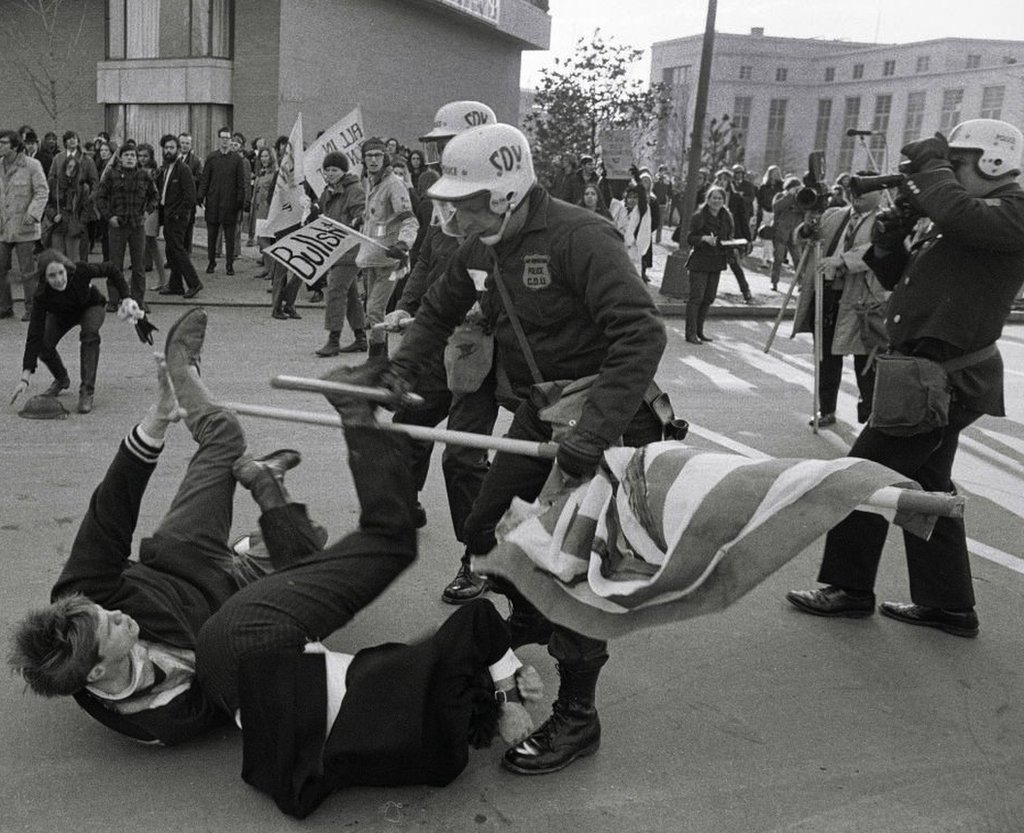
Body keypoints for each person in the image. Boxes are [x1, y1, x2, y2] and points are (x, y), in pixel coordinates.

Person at [381, 123, 667, 774]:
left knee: (569, 567)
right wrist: (402, 371)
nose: (453, 214)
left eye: (467, 200)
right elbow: (437, 308)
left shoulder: (578, 236)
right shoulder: (482, 242)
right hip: (542, 413)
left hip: (604, 418)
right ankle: (531, 615)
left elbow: (642, 336)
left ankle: (578, 716)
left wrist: (591, 438)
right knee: (485, 529)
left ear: (508, 193)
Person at [6, 308, 327, 745]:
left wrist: (156, 420)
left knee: (226, 433)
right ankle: (264, 490)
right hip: (242, 605)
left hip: (183, 554)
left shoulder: (81, 594)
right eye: (112, 626)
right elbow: (247, 693)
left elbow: (111, 509)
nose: (118, 612)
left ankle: (183, 377)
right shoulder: (165, 718)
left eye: (107, 612)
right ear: (98, 670)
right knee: (313, 549)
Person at [786, 119, 1024, 639]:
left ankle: (848, 588)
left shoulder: (1012, 212)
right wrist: (891, 237)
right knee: (927, 486)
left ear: (994, 161)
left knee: (861, 475)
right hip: (927, 375)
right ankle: (948, 604)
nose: (951, 174)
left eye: (959, 163)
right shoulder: (964, 217)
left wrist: (933, 174)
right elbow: (895, 276)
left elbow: (962, 213)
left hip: (941, 378)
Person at [382, 100, 500, 604]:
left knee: (465, 460)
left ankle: (479, 560)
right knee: (409, 425)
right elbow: (427, 267)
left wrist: (480, 313)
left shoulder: (502, 210)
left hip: (481, 355)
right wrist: (403, 309)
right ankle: (401, 511)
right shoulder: (442, 201)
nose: (436, 153)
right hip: (439, 341)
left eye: (445, 143)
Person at [793, 170, 889, 427]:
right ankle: (826, 410)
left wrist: (843, 260)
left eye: (865, 190)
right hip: (828, 295)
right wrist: (806, 228)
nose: (858, 195)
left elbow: (877, 250)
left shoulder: (885, 220)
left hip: (862, 300)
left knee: (865, 360)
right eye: (855, 188)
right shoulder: (834, 215)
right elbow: (805, 238)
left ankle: (870, 416)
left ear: (880, 193)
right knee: (826, 355)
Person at [11, 249, 131, 413]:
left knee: (89, 335)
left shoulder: (80, 270)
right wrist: (25, 377)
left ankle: (87, 392)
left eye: (61, 272)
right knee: (43, 344)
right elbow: (34, 334)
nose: (59, 279)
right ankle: (61, 379)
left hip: (91, 306)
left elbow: (111, 268)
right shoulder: (41, 294)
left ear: (66, 268)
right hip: (62, 314)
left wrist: (127, 297)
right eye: (52, 276)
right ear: (45, 278)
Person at [354, 136, 419, 358]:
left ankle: (377, 360)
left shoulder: (394, 185)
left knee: (374, 310)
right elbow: (375, 219)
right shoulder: (371, 182)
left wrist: (403, 243)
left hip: (390, 259)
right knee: (371, 310)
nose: (373, 160)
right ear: (363, 160)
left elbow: (410, 220)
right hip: (371, 256)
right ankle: (377, 357)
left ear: (385, 158)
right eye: (369, 156)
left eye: (378, 155)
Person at [313, 151, 366, 357]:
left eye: (334, 170)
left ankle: (333, 338)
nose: (330, 174)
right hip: (335, 250)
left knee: (335, 290)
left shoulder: (354, 190)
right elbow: (323, 214)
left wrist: (356, 221)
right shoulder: (329, 190)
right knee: (350, 294)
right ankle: (361, 337)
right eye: (327, 170)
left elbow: (361, 214)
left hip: (349, 249)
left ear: (343, 171)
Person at [94, 144, 157, 311]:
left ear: (137, 159)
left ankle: (138, 300)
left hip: (137, 226)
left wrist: (146, 212)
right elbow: (100, 198)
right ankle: (114, 300)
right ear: (120, 158)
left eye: (133, 155)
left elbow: (154, 196)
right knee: (115, 265)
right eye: (127, 155)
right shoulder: (111, 175)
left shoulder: (144, 176)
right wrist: (109, 217)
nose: (130, 158)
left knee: (139, 266)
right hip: (117, 226)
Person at [1, 129, 48, 321]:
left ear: (14, 146)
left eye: (3, 143)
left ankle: (33, 308)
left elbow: (42, 191)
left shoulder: (31, 165)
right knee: (0, 268)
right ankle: (4, 306)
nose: (0, 146)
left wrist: (33, 213)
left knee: (28, 272)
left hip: (24, 226)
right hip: (3, 226)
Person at [683, 185, 734, 344]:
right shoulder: (699, 216)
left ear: (723, 200)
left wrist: (732, 244)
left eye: (719, 198)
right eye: (714, 198)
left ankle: (699, 331)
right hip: (700, 260)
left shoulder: (726, 216)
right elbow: (690, 238)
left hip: (717, 261)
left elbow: (728, 236)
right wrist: (704, 239)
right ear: (708, 199)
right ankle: (690, 333)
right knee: (696, 297)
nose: (717, 201)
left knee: (709, 298)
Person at [156, 134, 203, 298]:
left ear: (177, 149)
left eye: (172, 148)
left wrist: (178, 214)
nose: (168, 151)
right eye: (166, 148)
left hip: (178, 218)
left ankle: (194, 283)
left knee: (178, 250)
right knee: (172, 251)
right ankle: (175, 285)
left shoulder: (183, 169)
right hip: (168, 216)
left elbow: (190, 196)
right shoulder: (165, 168)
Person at [198, 127, 246, 276]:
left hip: (230, 204)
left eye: (227, 138)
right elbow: (205, 179)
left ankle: (229, 265)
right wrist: (201, 196)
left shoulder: (237, 159)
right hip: (213, 203)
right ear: (219, 139)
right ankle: (211, 262)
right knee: (212, 237)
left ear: (231, 140)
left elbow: (241, 183)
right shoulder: (212, 157)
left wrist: (239, 202)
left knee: (230, 237)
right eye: (222, 138)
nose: (225, 141)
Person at [713, 168, 754, 302]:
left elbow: (743, 219)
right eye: (720, 179)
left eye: (726, 179)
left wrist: (748, 239)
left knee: (735, 264)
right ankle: (709, 293)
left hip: (730, 237)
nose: (723, 182)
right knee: (712, 265)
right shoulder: (710, 197)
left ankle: (746, 291)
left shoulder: (736, 198)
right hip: (714, 235)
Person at [45, 154, 92, 261]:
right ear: (64, 167)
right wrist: (53, 216)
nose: (71, 170)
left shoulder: (83, 187)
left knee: (73, 260)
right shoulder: (54, 183)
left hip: (74, 226)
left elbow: (86, 208)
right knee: (57, 258)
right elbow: (47, 204)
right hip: (57, 224)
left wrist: (80, 224)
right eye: (69, 167)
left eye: (74, 168)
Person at [136, 143, 166, 292]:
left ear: (151, 157)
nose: (142, 159)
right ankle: (161, 279)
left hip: (150, 211)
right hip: (138, 211)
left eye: (145, 156)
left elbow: (155, 195)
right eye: (140, 156)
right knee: (143, 245)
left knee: (149, 244)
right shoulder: (136, 170)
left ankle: (162, 279)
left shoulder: (154, 172)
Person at [770, 176, 805, 291]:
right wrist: (789, 196)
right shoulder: (781, 196)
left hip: (795, 233)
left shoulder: (801, 198)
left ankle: (801, 283)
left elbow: (805, 209)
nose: (797, 191)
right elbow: (776, 207)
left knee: (797, 259)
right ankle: (774, 282)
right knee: (778, 258)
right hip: (781, 232)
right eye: (795, 188)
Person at [756, 164, 784, 269]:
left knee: (773, 236)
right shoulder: (764, 186)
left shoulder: (782, 186)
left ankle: (769, 259)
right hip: (766, 212)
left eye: (777, 172)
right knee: (764, 235)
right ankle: (767, 259)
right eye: (773, 172)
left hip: (777, 213)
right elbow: (760, 198)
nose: (775, 174)